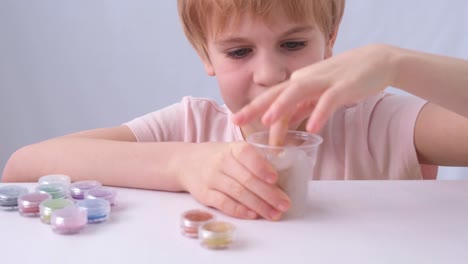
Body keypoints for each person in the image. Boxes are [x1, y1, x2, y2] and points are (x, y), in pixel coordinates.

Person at [2, 0, 468, 221]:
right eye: (239, 52)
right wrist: (181, 162)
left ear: (330, 38)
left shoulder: (378, 124)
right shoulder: (191, 128)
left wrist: (397, 63)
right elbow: (22, 167)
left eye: (292, 43)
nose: (269, 75)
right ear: (205, 54)